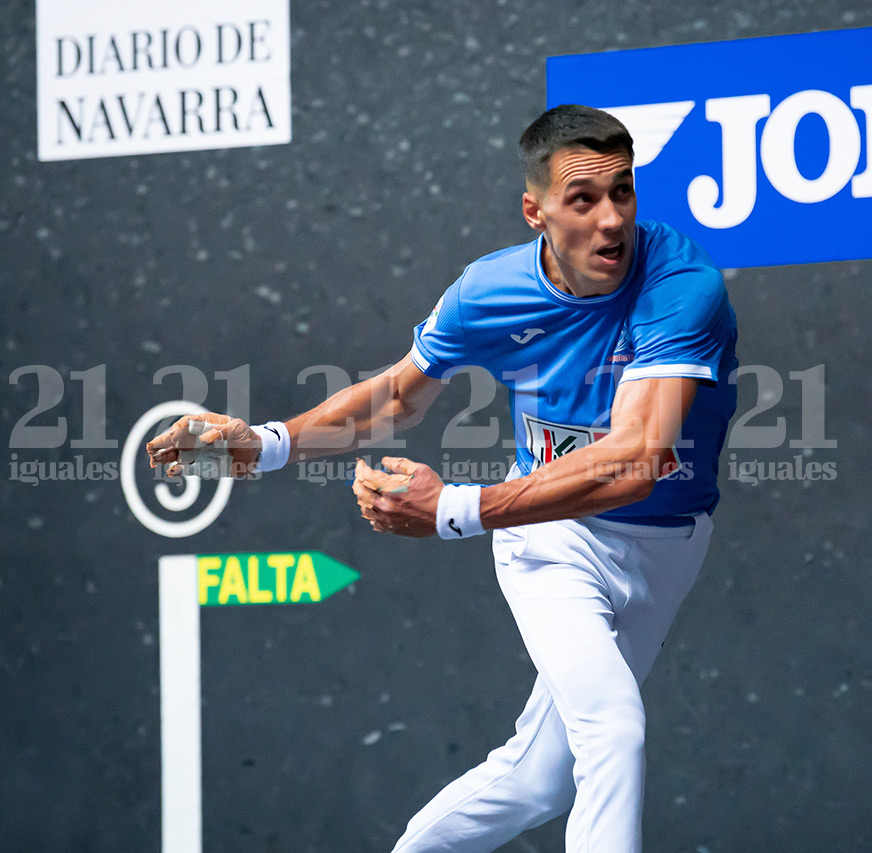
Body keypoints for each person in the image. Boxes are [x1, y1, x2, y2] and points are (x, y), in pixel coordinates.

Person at [146, 104, 738, 853]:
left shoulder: (683, 287)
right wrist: (266, 443)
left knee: (540, 779)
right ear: (536, 211)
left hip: (667, 544)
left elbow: (635, 459)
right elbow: (398, 396)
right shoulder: (488, 291)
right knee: (612, 727)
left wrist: (456, 506)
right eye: (583, 200)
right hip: (547, 533)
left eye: (622, 191)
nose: (611, 220)